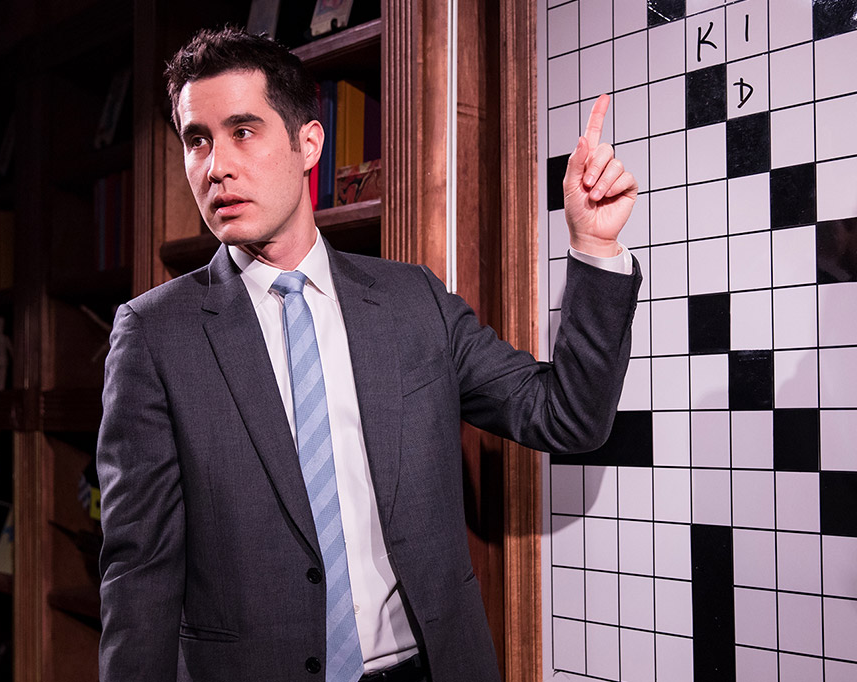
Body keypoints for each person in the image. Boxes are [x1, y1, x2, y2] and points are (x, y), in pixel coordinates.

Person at [96, 26, 640, 682]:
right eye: (197, 139)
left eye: (243, 131)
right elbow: (139, 579)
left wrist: (595, 249)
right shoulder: (155, 336)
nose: (216, 166)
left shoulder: (414, 301)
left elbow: (569, 417)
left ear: (307, 145)